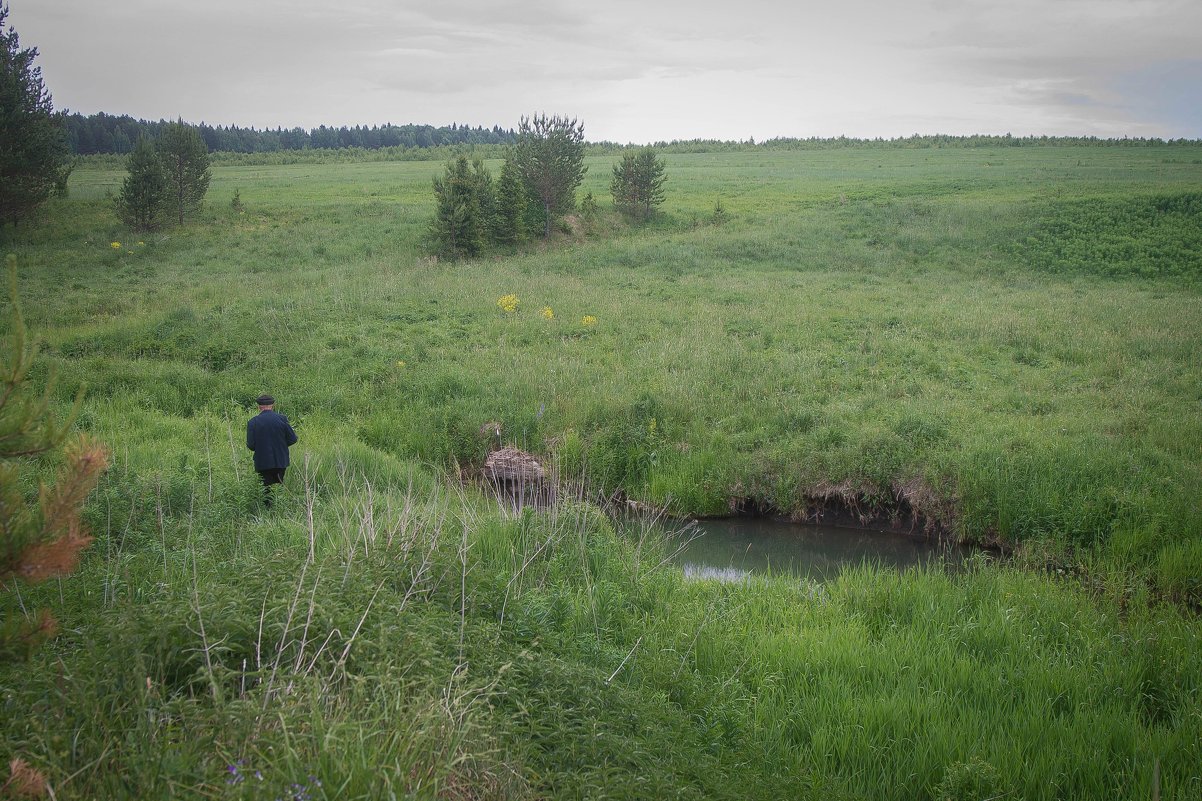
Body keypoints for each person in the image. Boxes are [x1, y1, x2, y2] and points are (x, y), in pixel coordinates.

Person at [246, 394, 297, 507]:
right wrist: (281, 446)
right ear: (273, 405)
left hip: (262, 462)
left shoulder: (253, 422)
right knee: (278, 486)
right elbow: (293, 439)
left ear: (259, 406)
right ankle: (278, 508)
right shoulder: (282, 419)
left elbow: (251, 445)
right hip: (281, 460)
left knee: (266, 488)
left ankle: (267, 511)